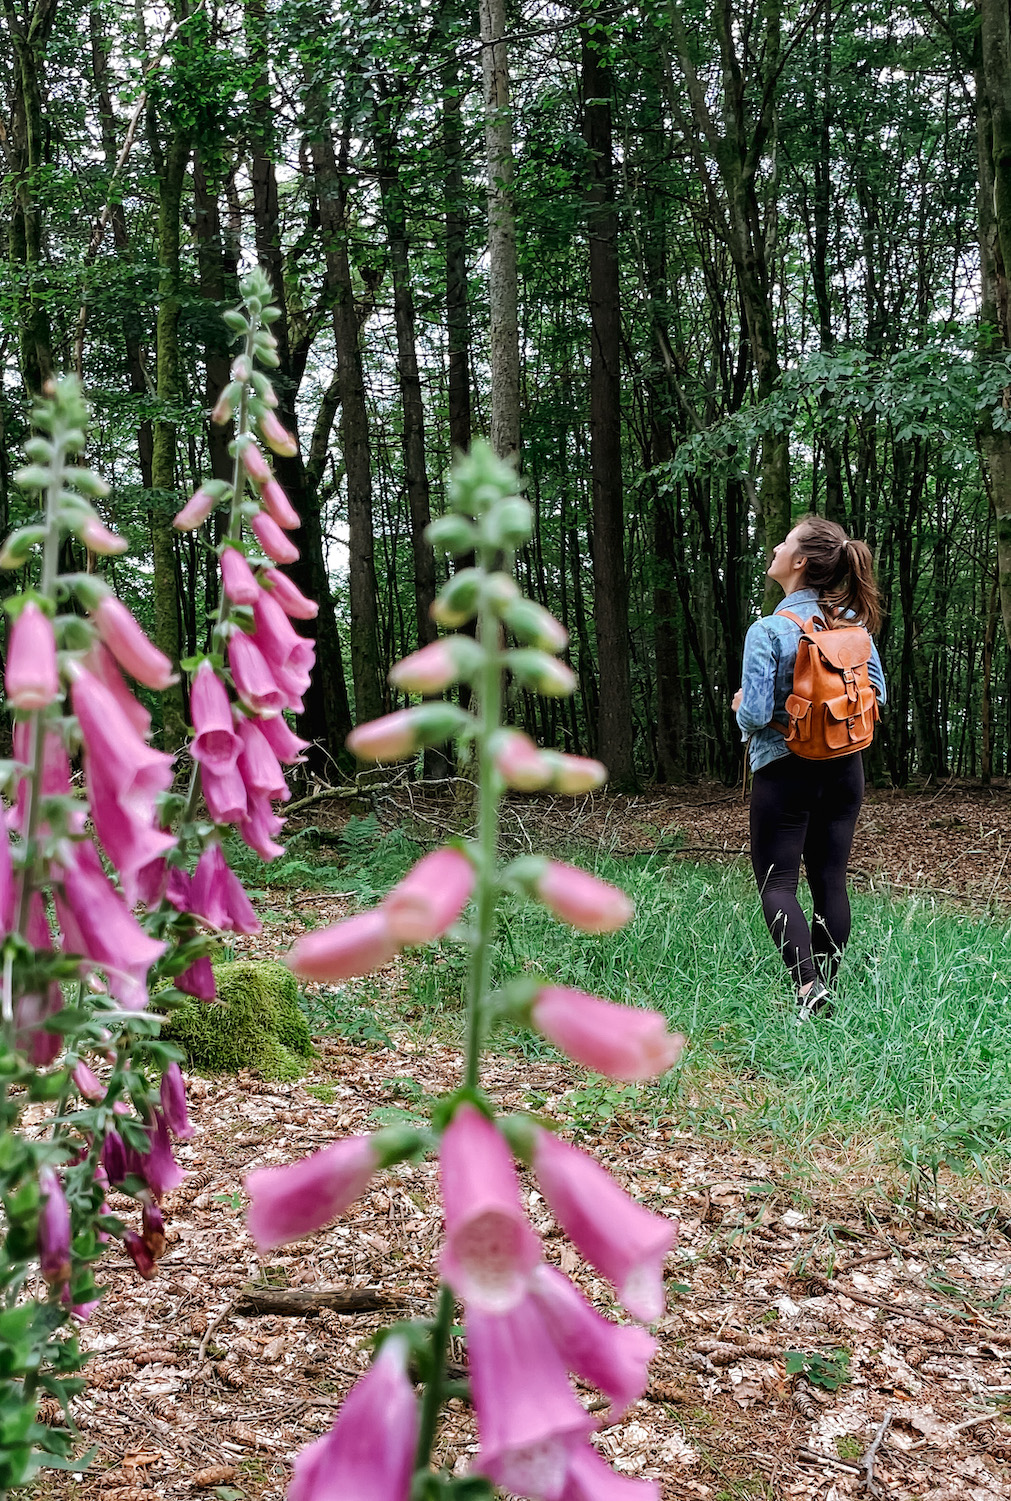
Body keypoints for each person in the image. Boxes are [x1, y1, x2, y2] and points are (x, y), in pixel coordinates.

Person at [731, 517, 886, 1021]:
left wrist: (739, 707)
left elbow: (754, 715)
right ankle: (826, 983)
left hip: (785, 767)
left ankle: (807, 989)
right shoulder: (851, 624)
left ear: (799, 562)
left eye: (785, 542)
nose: (775, 547)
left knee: (777, 884)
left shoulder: (769, 629)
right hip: (846, 770)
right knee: (830, 880)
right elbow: (876, 696)